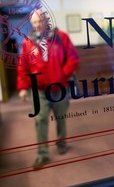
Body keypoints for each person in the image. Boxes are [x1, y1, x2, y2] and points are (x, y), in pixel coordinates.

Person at [17, 9, 79, 169]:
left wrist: (62, 75)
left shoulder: (62, 37)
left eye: (40, 21)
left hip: (60, 88)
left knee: (60, 118)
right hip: (39, 91)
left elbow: (73, 59)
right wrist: (23, 87)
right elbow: (23, 67)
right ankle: (42, 154)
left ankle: (61, 144)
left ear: (46, 21)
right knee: (40, 120)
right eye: (34, 23)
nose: (38, 25)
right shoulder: (27, 43)